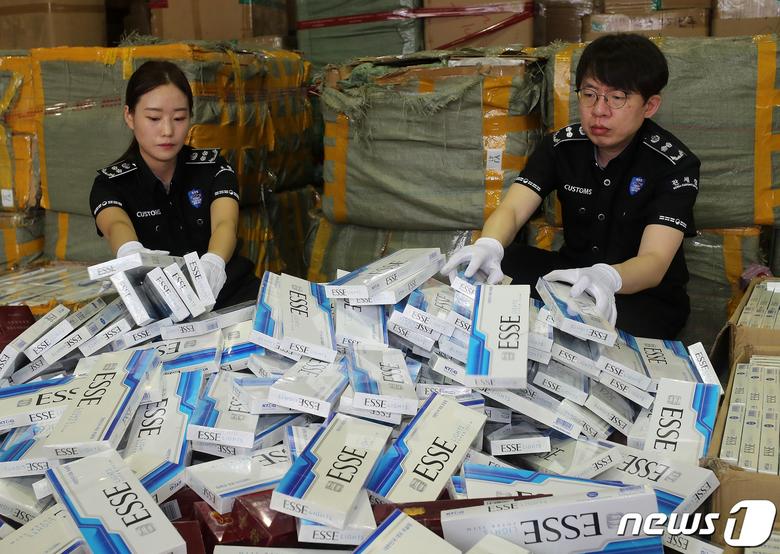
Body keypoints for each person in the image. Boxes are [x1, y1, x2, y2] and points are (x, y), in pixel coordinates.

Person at [442, 34, 699, 339]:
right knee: (503, 263)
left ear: (650, 105)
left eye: (617, 98)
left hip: (638, 293)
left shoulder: (674, 164)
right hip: (570, 274)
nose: (599, 110)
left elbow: (654, 261)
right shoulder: (562, 146)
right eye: (589, 94)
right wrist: (490, 245)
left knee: (589, 331)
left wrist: (606, 277)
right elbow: (513, 209)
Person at [89, 60, 259, 309]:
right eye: (154, 118)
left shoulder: (213, 167)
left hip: (233, 294)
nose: (167, 130)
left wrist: (213, 263)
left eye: (179, 118)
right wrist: (130, 253)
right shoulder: (111, 183)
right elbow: (116, 225)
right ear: (129, 116)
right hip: (163, 306)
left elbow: (226, 223)